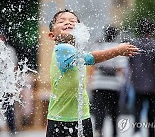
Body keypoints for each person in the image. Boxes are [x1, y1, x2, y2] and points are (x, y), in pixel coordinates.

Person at [46, 9, 139, 137]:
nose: (68, 23)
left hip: (81, 117)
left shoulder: (76, 51)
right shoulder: (62, 48)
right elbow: (91, 58)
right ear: (52, 35)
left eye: (73, 21)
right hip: (62, 120)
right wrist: (117, 51)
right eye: (61, 21)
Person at [88, 25, 128, 137]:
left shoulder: (98, 46)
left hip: (98, 84)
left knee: (99, 110)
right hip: (114, 86)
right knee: (114, 111)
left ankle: (98, 130)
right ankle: (115, 133)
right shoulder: (119, 48)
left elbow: (92, 65)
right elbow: (121, 69)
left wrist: (90, 81)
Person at [129, 18, 155, 137]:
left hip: (137, 82)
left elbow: (131, 65)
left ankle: (136, 132)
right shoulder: (154, 45)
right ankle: (151, 132)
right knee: (152, 111)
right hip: (153, 84)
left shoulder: (134, 44)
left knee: (137, 109)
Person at [0, 26, 17, 135]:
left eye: (1, 36)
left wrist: (13, 84)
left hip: (6, 83)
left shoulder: (9, 50)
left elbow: (14, 68)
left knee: (8, 107)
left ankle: (11, 128)